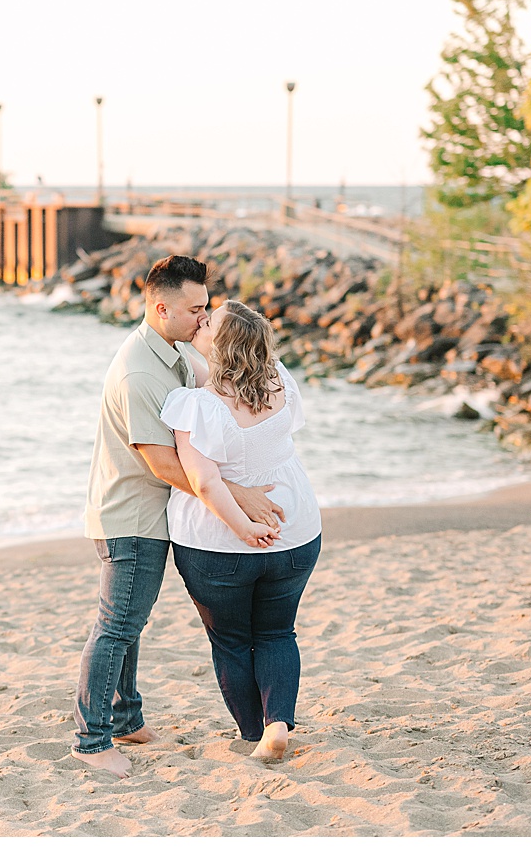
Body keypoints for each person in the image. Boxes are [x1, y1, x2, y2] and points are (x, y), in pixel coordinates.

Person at [71, 257, 285, 780]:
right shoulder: (139, 371)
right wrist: (239, 497)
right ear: (161, 307)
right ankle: (91, 741)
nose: (202, 318)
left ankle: (125, 720)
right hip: (130, 517)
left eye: (205, 307)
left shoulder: (173, 352)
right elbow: (162, 462)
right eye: (194, 309)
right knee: (116, 627)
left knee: (130, 627)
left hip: (149, 513)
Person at [160, 298, 323, 763]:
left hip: (216, 544)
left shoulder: (196, 406)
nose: (200, 321)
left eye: (209, 321)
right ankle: (277, 725)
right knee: (277, 632)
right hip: (294, 531)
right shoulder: (280, 381)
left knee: (230, 639)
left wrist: (244, 529)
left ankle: (254, 733)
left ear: (224, 346)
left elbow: (205, 481)